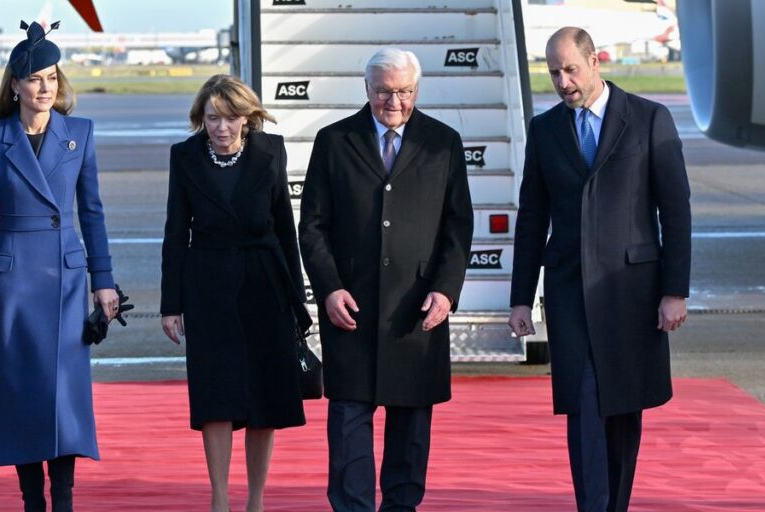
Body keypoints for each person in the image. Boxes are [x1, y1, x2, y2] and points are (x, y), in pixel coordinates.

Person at [507, 27, 691, 512]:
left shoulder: (649, 118)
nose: (562, 81)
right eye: (553, 72)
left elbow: (675, 209)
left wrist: (675, 290)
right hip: (570, 292)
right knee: (585, 404)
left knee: (623, 410)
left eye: (570, 69)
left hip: (632, 292)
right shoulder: (545, 131)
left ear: (595, 62)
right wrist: (521, 297)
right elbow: (532, 217)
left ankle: (615, 504)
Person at [298, 48, 473, 511]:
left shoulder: (444, 142)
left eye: (404, 92)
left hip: (416, 311)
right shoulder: (334, 141)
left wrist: (446, 291)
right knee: (349, 428)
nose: (393, 102)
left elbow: (458, 225)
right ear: (366, 89)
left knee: (411, 431)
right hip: (351, 310)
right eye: (383, 92)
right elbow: (312, 225)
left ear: (417, 89)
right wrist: (329, 288)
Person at [0, 21, 118, 512]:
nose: (45, 87)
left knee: (63, 396)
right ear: (16, 84)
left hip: (67, 280)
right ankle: (32, 500)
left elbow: (91, 211)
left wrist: (105, 282)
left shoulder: (81, 132)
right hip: (12, 280)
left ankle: (65, 500)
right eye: (35, 78)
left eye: (52, 77)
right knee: (20, 392)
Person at [161, 74, 307, 512]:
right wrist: (172, 305)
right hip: (207, 286)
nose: (221, 128)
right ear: (200, 119)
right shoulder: (184, 156)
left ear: (247, 118)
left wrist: (297, 301)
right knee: (215, 394)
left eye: (230, 118)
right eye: (212, 118)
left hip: (265, 283)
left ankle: (256, 501)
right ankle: (220, 499)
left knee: (266, 394)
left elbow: (286, 228)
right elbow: (175, 233)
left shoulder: (270, 151)